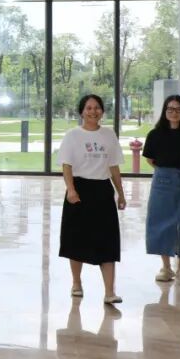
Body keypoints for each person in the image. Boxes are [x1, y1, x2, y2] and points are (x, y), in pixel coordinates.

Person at [57, 94, 126, 304]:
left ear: (102, 111)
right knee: (76, 239)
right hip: (79, 189)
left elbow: (114, 166)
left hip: (102, 190)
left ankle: (109, 292)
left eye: (97, 108)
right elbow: (66, 165)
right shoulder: (72, 135)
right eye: (88, 108)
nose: (93, 111)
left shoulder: (109, 135)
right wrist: (70, 189)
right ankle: (76, 283)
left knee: (108, 241)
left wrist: (120, 193)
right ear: (81, 112)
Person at [143, 94, 180, 287]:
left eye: (178, 110)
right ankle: (166, 267)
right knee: (162, 221)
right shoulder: (155, 134)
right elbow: (150, 159)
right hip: (162, 180)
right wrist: (165, 171)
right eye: (170, 109)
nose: (174, 113)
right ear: (165, 111)